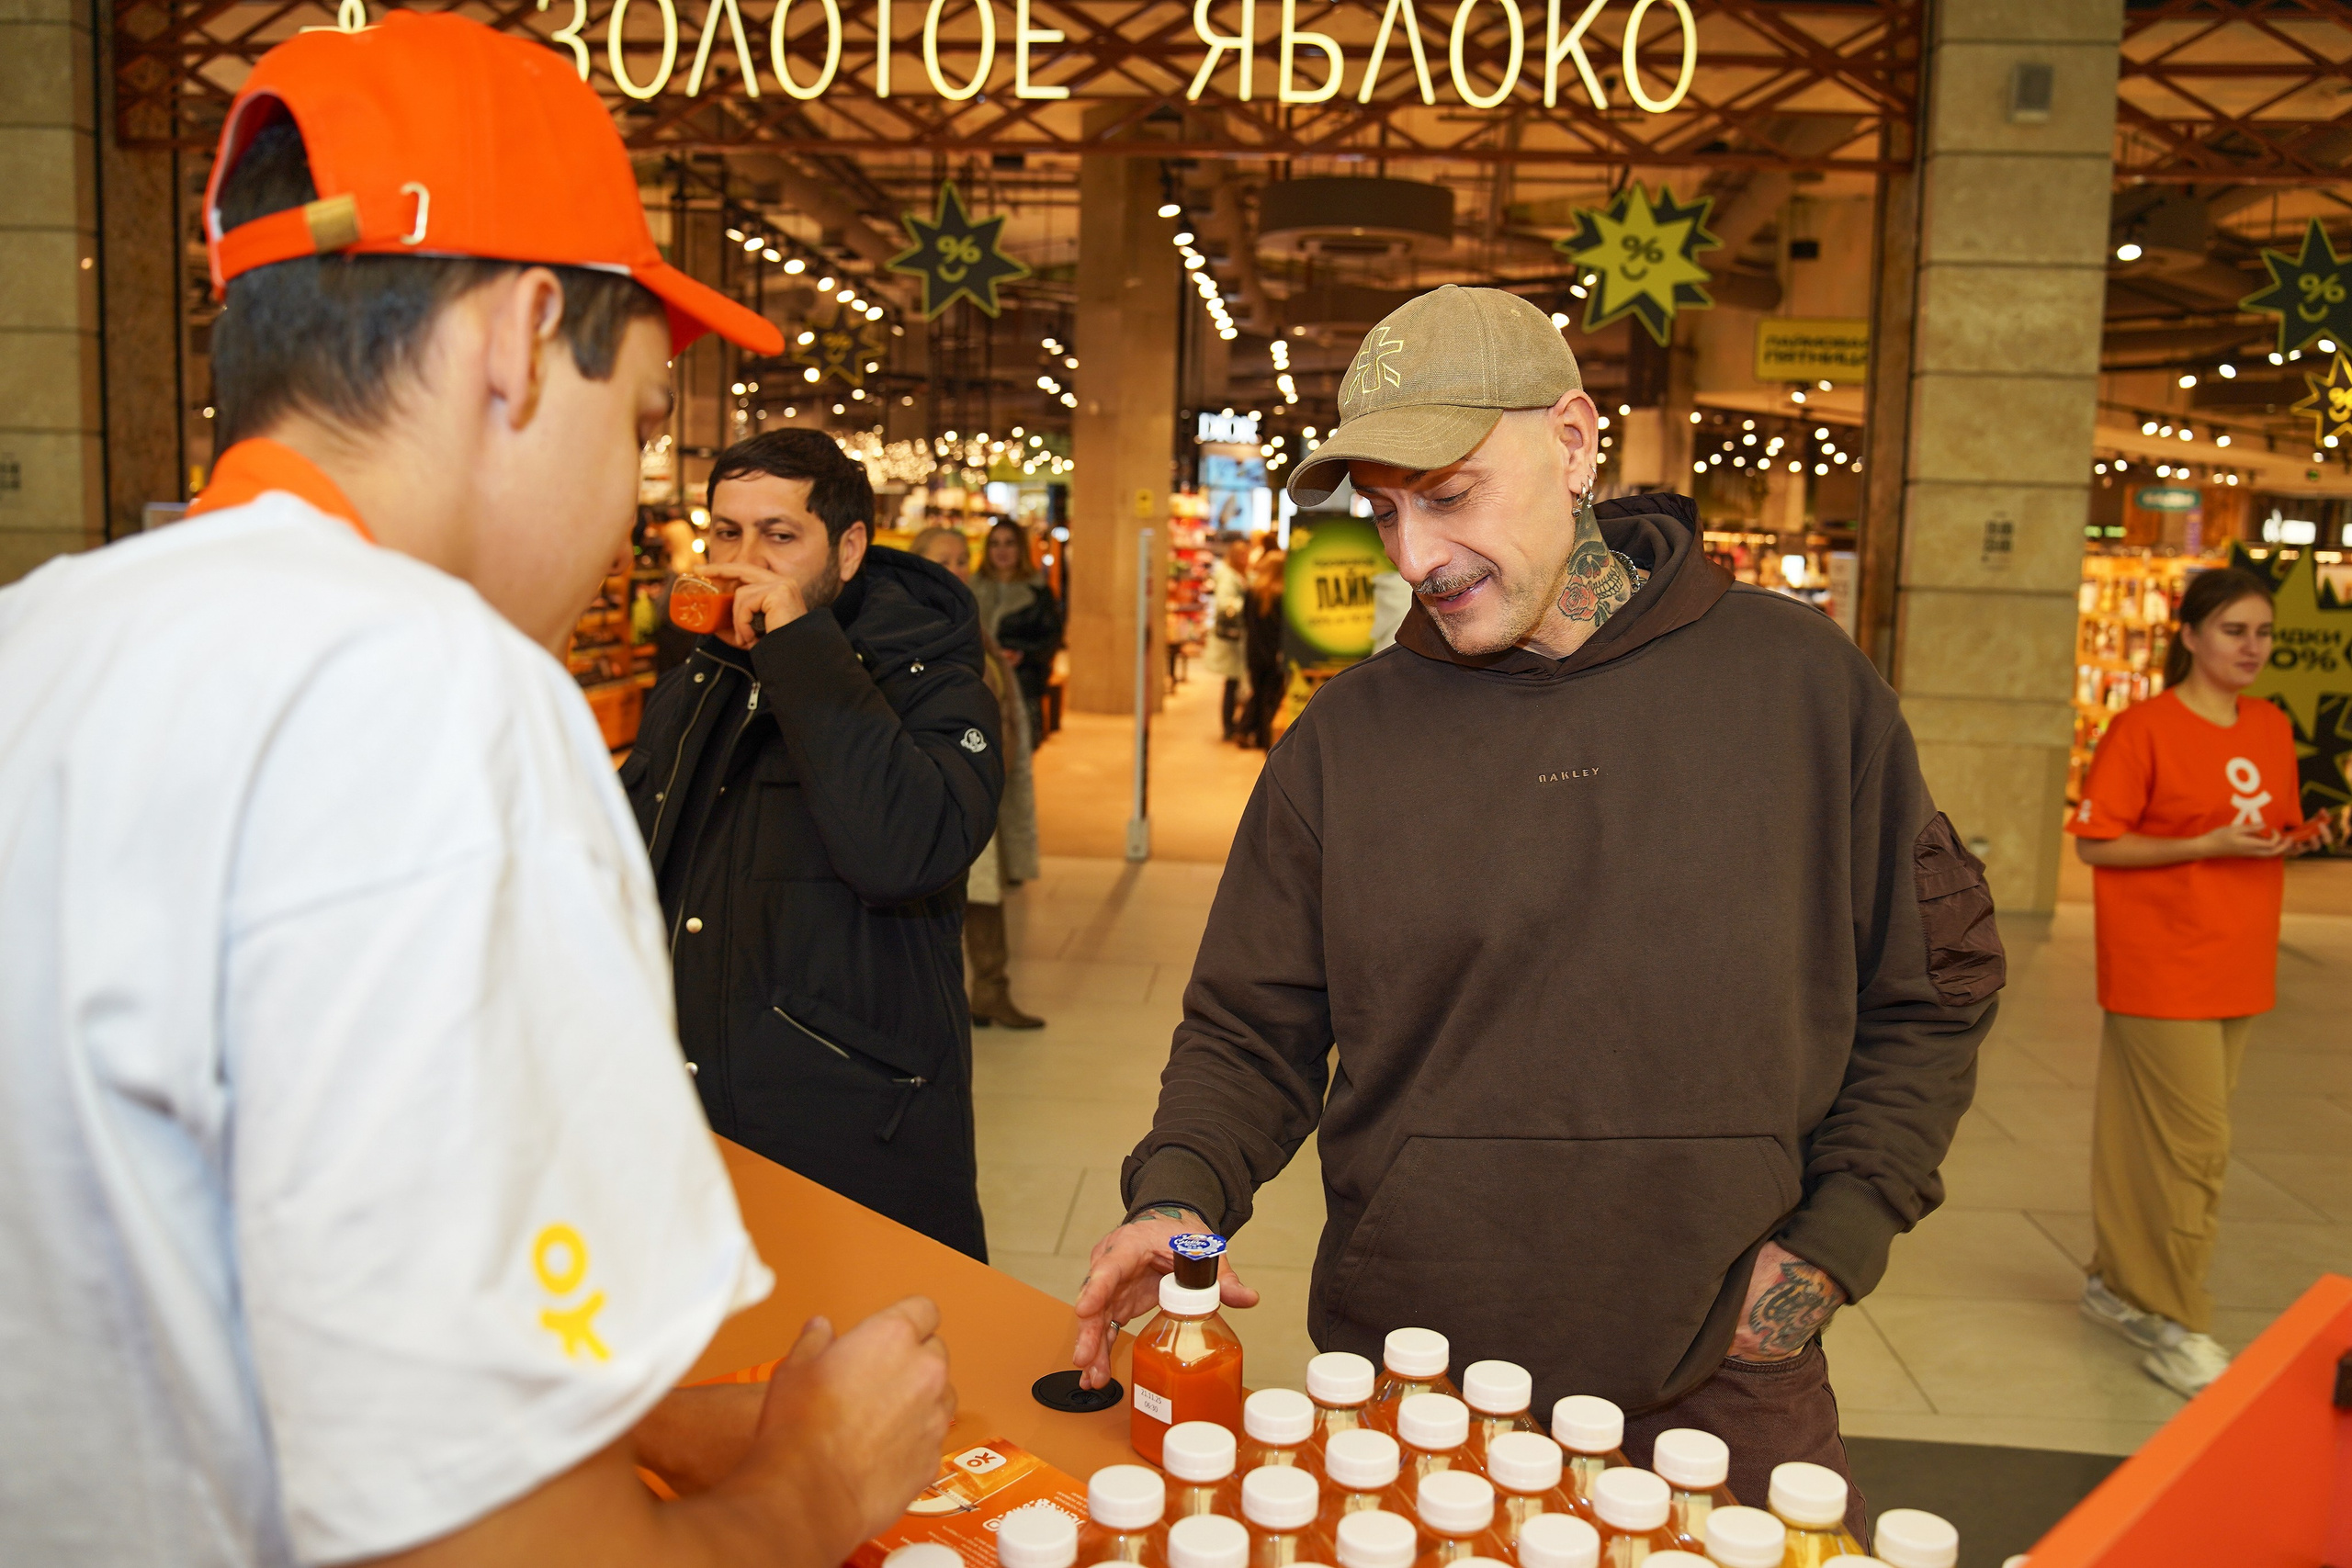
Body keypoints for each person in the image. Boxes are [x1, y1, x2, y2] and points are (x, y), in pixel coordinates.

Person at [0, 17, 953, 1568]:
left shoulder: (47, 638)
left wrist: (637, 1423)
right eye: (642, 420)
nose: (637, 497)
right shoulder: (427, 692)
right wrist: (819, 1484)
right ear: (518, 342)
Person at [1069, 287, 2004, 1540]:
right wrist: (1178, 1195)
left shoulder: (1802, 690)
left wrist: (1822, 1255)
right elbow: (1250, 1030)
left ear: (1574, 443)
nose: (1413, 557)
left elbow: (1933, 989)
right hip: (1409, 1388)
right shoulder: (1343, 745)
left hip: (1725, 1386)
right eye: (1387, 510)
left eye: (1449, 494)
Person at [623, 434, 1002, 1261]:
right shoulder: (705, 674)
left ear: (851, 547)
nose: (743, 560)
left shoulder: (935, 683)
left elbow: (906, 851)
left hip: (852, 1138)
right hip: (694, 1132)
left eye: (778, 535)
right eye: (726, 533)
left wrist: (799, 650)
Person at [2066, 566, 2333, 1396]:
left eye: (2263, 633)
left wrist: (2296, 838)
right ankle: (2180, 1324)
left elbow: (2260, 825)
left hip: (2239, 959)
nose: (2252, 648)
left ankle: (2117, 1282)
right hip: (2162, 962)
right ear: (2188, 635)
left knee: (2148, 1138)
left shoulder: (2268, 724)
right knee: (2197, 1152)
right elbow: (2097, 843)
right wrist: (2207, 845)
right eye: (2234, 630)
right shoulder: (2143, 729)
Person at [912, 525, 1046, 1030]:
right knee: (938, 895)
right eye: (943, 561)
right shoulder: (910, 624)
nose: (957, 570)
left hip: (981, 776)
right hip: (937, 780)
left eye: (961, 560)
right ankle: (940, 1002)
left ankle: (990, 991)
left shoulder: (967, 621)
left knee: (985, 891)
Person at [972, 517, 1062, 748]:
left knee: (1017, 757)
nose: (1002, 550)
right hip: (978, 687)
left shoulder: (1037, 591)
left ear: (1020, 548)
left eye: (1009, 543)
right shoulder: (972, 588)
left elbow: (1050, 639)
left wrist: (1021, 654)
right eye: (995, 543)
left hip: (1021, 689)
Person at [1237, 545, 1286, 749]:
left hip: (1254, 652)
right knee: (1271, 697)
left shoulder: (1252, 593)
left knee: (1257, 692)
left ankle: (1246, 730)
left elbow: (1245, 622)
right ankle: (1266, 739)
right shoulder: (1283, 595)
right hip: (1275, 654)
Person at [1204, 533, 1251, 739]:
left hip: (1237, 638)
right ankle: (1228, 728)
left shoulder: (1238, 574)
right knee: (1231, 684)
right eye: (1241, 554)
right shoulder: (1228, 575)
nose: (1245, 558)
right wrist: (1247, 607)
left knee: (1233, 683)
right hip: (1230, 639)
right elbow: (1225, 604)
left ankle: (1231, 726)